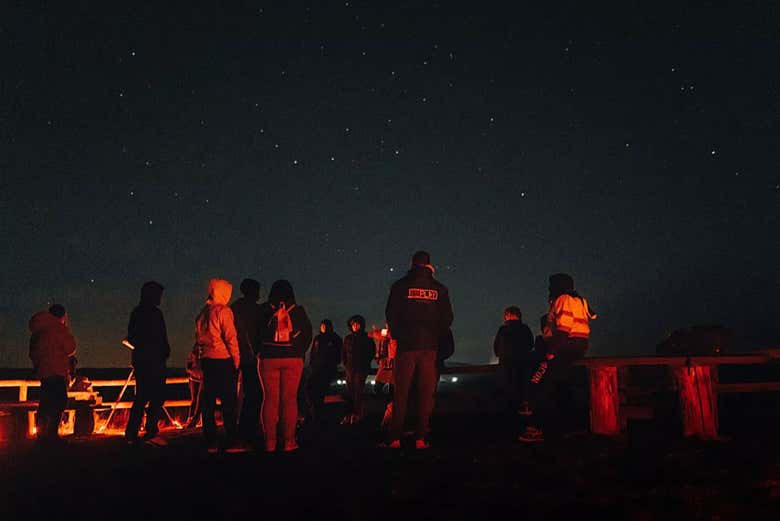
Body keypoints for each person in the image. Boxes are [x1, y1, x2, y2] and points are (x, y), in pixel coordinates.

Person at [381, 250, 453, 449]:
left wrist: (398, 335)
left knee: (401, 392)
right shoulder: (440, 289)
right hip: (429, 348)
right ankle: (421, 437)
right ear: (429, 266)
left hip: (406, 347)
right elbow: (447, 319)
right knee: (426, 393)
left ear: (412, 264)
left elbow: (391, 313)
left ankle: (394, 438)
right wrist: (433, 334)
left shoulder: (399, 286)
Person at [519, 273, 596, 443]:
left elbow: (564, 328)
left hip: (564, 346)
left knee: (541, 382)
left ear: (557, 286)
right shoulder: (579, 300)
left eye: (550, 285)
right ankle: (567, 427)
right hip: (578, 346)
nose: (548, 288)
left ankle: (536, 427)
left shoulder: (562, 299)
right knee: (560, 384)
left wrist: (551, 351)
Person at [258, 280, 313, 452]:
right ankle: (289, 441)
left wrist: (259, 351)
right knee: (289, 399)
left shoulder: (264, 310)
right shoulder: (298, 311)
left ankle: (270, 442)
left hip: (268, 358)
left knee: (269, 399)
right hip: (293, 359)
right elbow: (308, 334)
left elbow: (252, 332)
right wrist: (299, 351)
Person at [195, 278, 244, 453]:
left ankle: (211, 441)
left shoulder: (202, 313)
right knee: (228, 402)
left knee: (207, 402)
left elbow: (199, 341)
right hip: (223, 360)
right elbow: (231, 338)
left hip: (207, 361)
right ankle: (231, 439)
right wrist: (237, 360)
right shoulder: (223, 311)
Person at [125, 281, 170, 446]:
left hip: (143, 360)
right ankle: (150, 430)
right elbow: (160, 336)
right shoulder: (154, 314)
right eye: (158, 295)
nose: (160, 298)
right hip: (153, 360)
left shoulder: (137, 313)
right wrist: (162, 350)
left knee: (142, 396)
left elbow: (132, 336)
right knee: (154, 397)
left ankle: (133, 432)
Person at [28, 309, 77, 446]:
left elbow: (33, 352)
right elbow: (71, 347)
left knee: (45, 403)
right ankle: (52, 435)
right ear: (62, 316)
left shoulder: (38, 330)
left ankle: (41, 435)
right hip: (57, 370)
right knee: (59, 402)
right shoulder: (58, 328)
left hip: (43, 371)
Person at [230, 278, 264, 444]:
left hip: (234, 356)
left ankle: (240, 428)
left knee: (242, 394)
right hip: (251, 357)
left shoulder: (234, 308)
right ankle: (247, 429)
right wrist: (256, 352)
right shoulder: (254, 310)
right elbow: (253, 333)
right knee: (255, 394)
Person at [493, 306, 534, 414]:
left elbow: (496, 348)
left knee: (508, 396)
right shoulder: (525, 329)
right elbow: (530, 344)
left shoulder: (503, 330)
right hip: (523, 368)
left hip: (506, 367)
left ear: (508, 315)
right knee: (521, 394)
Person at [340, 315, 375, 425]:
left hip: (361, 368)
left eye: (357, 323)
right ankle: (349, 415)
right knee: (350, 391)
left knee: (358, 392)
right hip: (350, 368)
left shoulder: (367, 338)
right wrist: (345, 364)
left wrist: (366, 363)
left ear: (361, 325)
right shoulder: (348, 338)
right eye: (353, 324)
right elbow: (343, 353)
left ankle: (357, 415)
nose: (355, 326)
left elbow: (371, 352)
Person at [307, 319, 342, 420]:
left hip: (327, 368)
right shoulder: (318, 338)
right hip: (317, 368)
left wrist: (334, 363)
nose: (324, 328)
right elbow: (313, 352)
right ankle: (314, 410)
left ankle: (318, 413)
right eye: (322, 326)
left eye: (326, 326)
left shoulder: (335, 339)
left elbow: (338, 353)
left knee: (320, 390)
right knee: (310, 387)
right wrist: (312, 363)